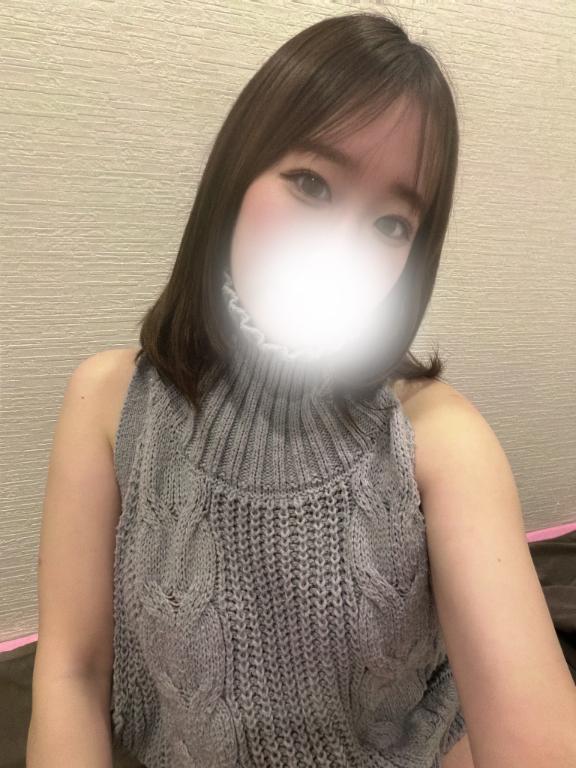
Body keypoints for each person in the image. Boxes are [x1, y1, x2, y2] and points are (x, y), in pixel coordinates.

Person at [27, 11, 576, 768]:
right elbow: (71, 672)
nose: (341, 246)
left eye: (392, 224)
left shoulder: (439, 437)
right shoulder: (109, 404)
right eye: (311, 183)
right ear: (235, 177)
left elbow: (531, 731)